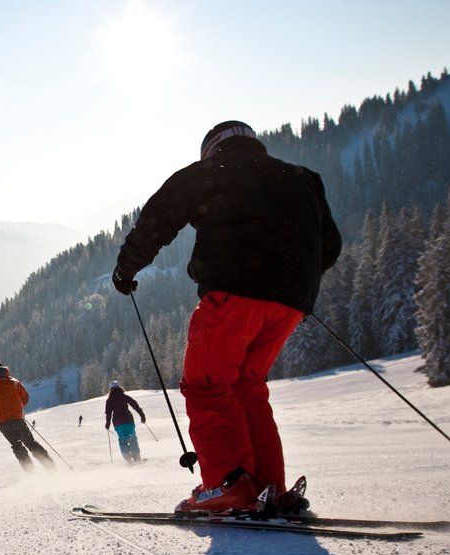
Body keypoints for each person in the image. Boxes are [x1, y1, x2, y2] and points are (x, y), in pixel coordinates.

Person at [112, 120, 342, 515]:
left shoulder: (211, 172)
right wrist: (293, 285)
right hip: (289, 304)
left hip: (233, 295)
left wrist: (126, 269)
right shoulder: (303, 178)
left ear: (213, 148)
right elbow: (331, 246)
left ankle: (225, 486)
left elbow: (159, 218)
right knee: (247, 385)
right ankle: (269, 486)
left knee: (207, 386)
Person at [0, 360, 56, 472]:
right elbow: (25, 398)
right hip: (18, 419)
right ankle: (51, 467)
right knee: (31, 443)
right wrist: (16, 409)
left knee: (17, 446)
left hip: (3, 422)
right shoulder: (13, 381)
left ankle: (31, 473)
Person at [104, 381, 146, 464]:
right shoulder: (124, 396)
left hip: (118, 423)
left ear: (110, 389)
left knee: (122, 440)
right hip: (128, 420)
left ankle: (128, 460)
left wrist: (107, 423)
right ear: (119, 387)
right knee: (132, 438)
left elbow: (108, 413)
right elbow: (134, 404)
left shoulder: (109, 400)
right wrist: (142, 415)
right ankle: (137, 458)